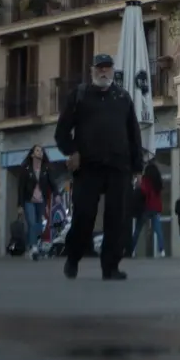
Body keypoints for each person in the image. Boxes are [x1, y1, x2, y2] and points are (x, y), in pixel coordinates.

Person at [56, 52, 144, 281]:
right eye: (99, 68)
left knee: (117, 218)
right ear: (92, 70)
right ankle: (73, 258)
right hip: (88, 167)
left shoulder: (123, 98)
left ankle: (110, 267)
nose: (103, 72)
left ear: (113, 71)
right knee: (83, 216)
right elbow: (61, 132)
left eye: (107, 68)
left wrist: (138, 167)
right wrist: (72, 151)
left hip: (119, 167)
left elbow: (134, 134)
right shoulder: (80, 96)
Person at [131, 163, 166, 258]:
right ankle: (162, 250)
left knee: (138, 230)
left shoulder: (146, 181)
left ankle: (131, 249)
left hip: (146, 208)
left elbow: (143, 191)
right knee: (158, 231)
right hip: (155, 209)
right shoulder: (158, 182)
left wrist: (137, 185)